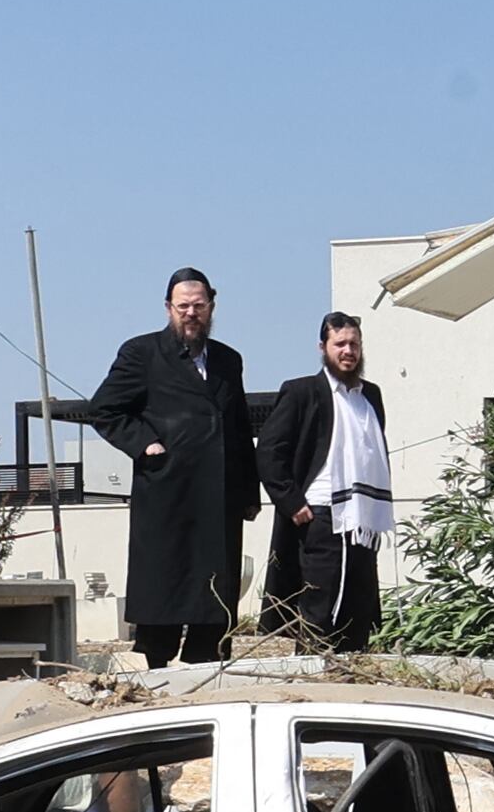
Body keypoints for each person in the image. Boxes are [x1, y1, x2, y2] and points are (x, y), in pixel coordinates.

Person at [87, 269, 257, 665]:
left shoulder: (229, 361)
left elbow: (239, 425)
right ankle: (156, 670)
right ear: (168, 308)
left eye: (199, 306)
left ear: (211, 307)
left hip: (219, 501)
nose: (191, 314)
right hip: (168, 495)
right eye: (183, 307)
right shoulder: (141, 353)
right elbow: (104, 409)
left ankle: (206, 669)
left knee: (215, 600)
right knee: (165, 591)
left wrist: (249, 492)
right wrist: (143, 443)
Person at [258, 312, 398, 651]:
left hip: (363, 519)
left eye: (354, 344)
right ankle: (313, 674)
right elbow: (269, 451)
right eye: (340, 344)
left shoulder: (371, 396)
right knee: (319, 603)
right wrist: (292, 502)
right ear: (323, 347)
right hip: (320, 515)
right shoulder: (302, 391)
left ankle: (351, 673)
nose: (348, 351)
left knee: (358, 604)